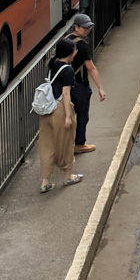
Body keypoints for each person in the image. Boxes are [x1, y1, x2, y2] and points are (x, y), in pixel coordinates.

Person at [38, 39, 84, 193]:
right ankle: (68, 176)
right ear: (70, 53)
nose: (76, 52)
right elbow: (66, 94)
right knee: (65, 144)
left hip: (46, 111)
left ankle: (45, 182)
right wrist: (68, 116)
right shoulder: (68, 70)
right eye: (75, 50)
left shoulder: (52, 65)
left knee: (47, 146)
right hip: (59, 110)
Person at [67, 13, 106, 154]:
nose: (87, 30)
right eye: (84, 28)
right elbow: (90, 68)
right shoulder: (81, 45)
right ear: (76, 27)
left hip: (65, 86)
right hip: (79, 85)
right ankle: (79, 143)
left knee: (67, 115)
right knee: (82, 115)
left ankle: (64, 145)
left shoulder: (65, 41)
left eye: (88, 27)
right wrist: (100, 88)